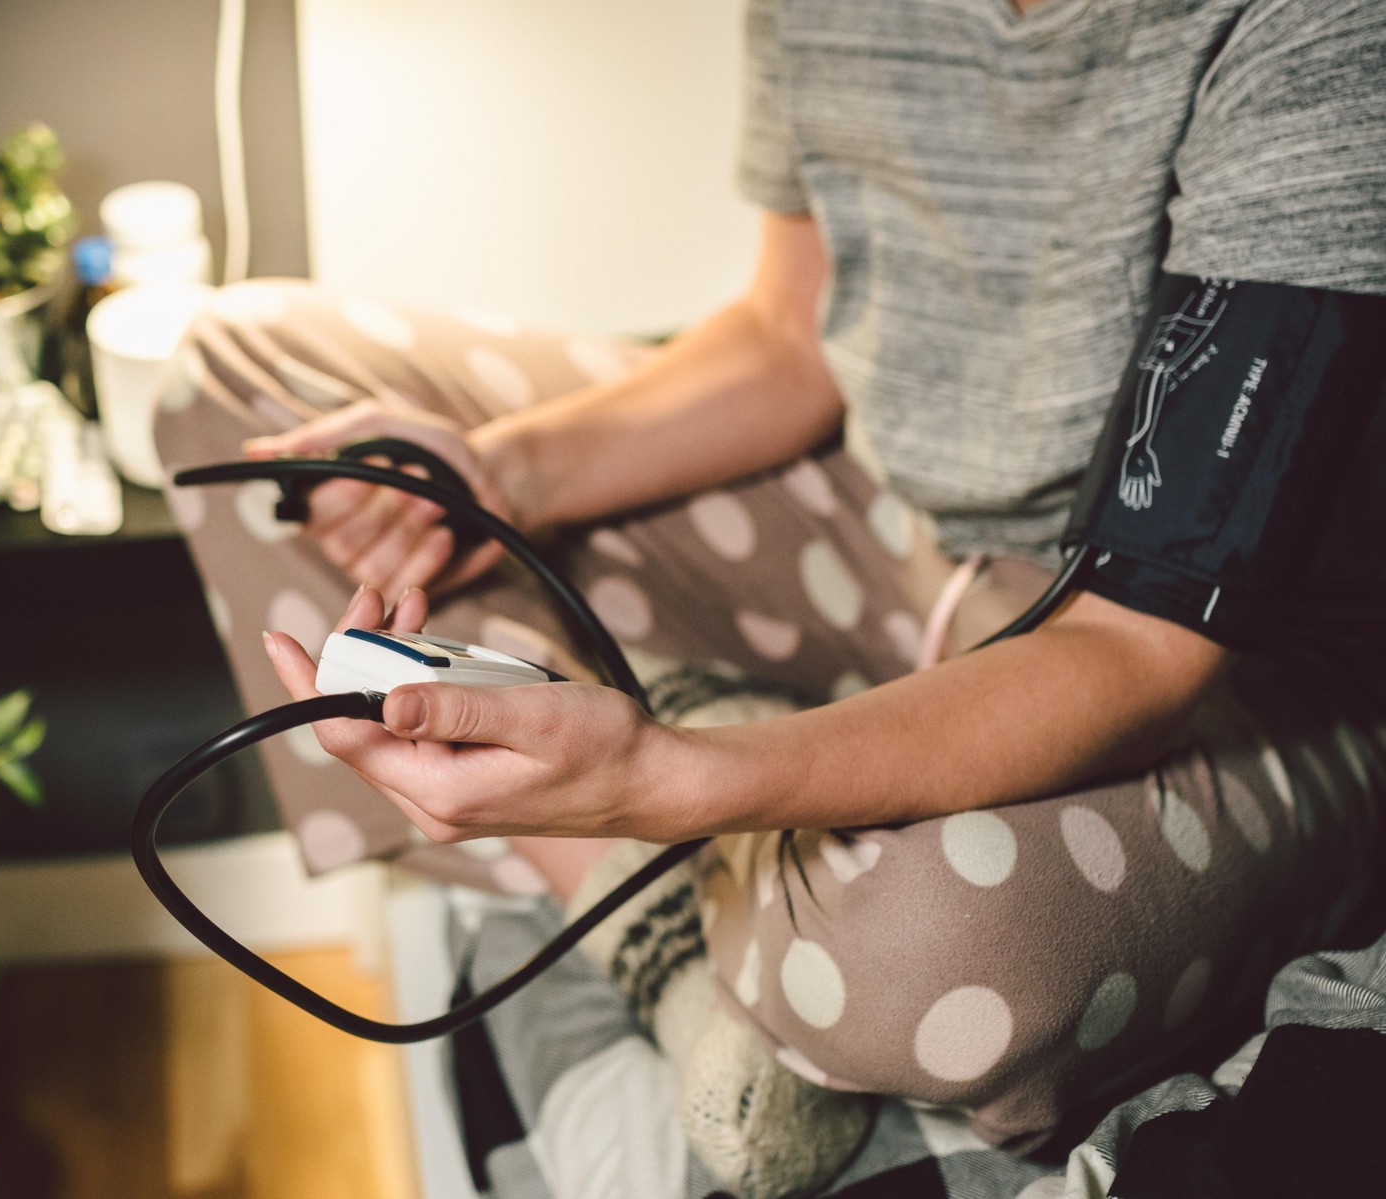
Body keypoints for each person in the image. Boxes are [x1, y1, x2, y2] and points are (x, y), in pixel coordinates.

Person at [153, 1, 1386, 1193]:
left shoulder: (1319, 30)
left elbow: (1140, 643)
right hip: (883, 526)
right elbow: (788, 338)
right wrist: (507, 474)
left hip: (1219, 656)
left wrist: (677, 776)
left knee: (935, 945)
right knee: (244, 369)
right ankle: (697, 948)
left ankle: (682, 828)